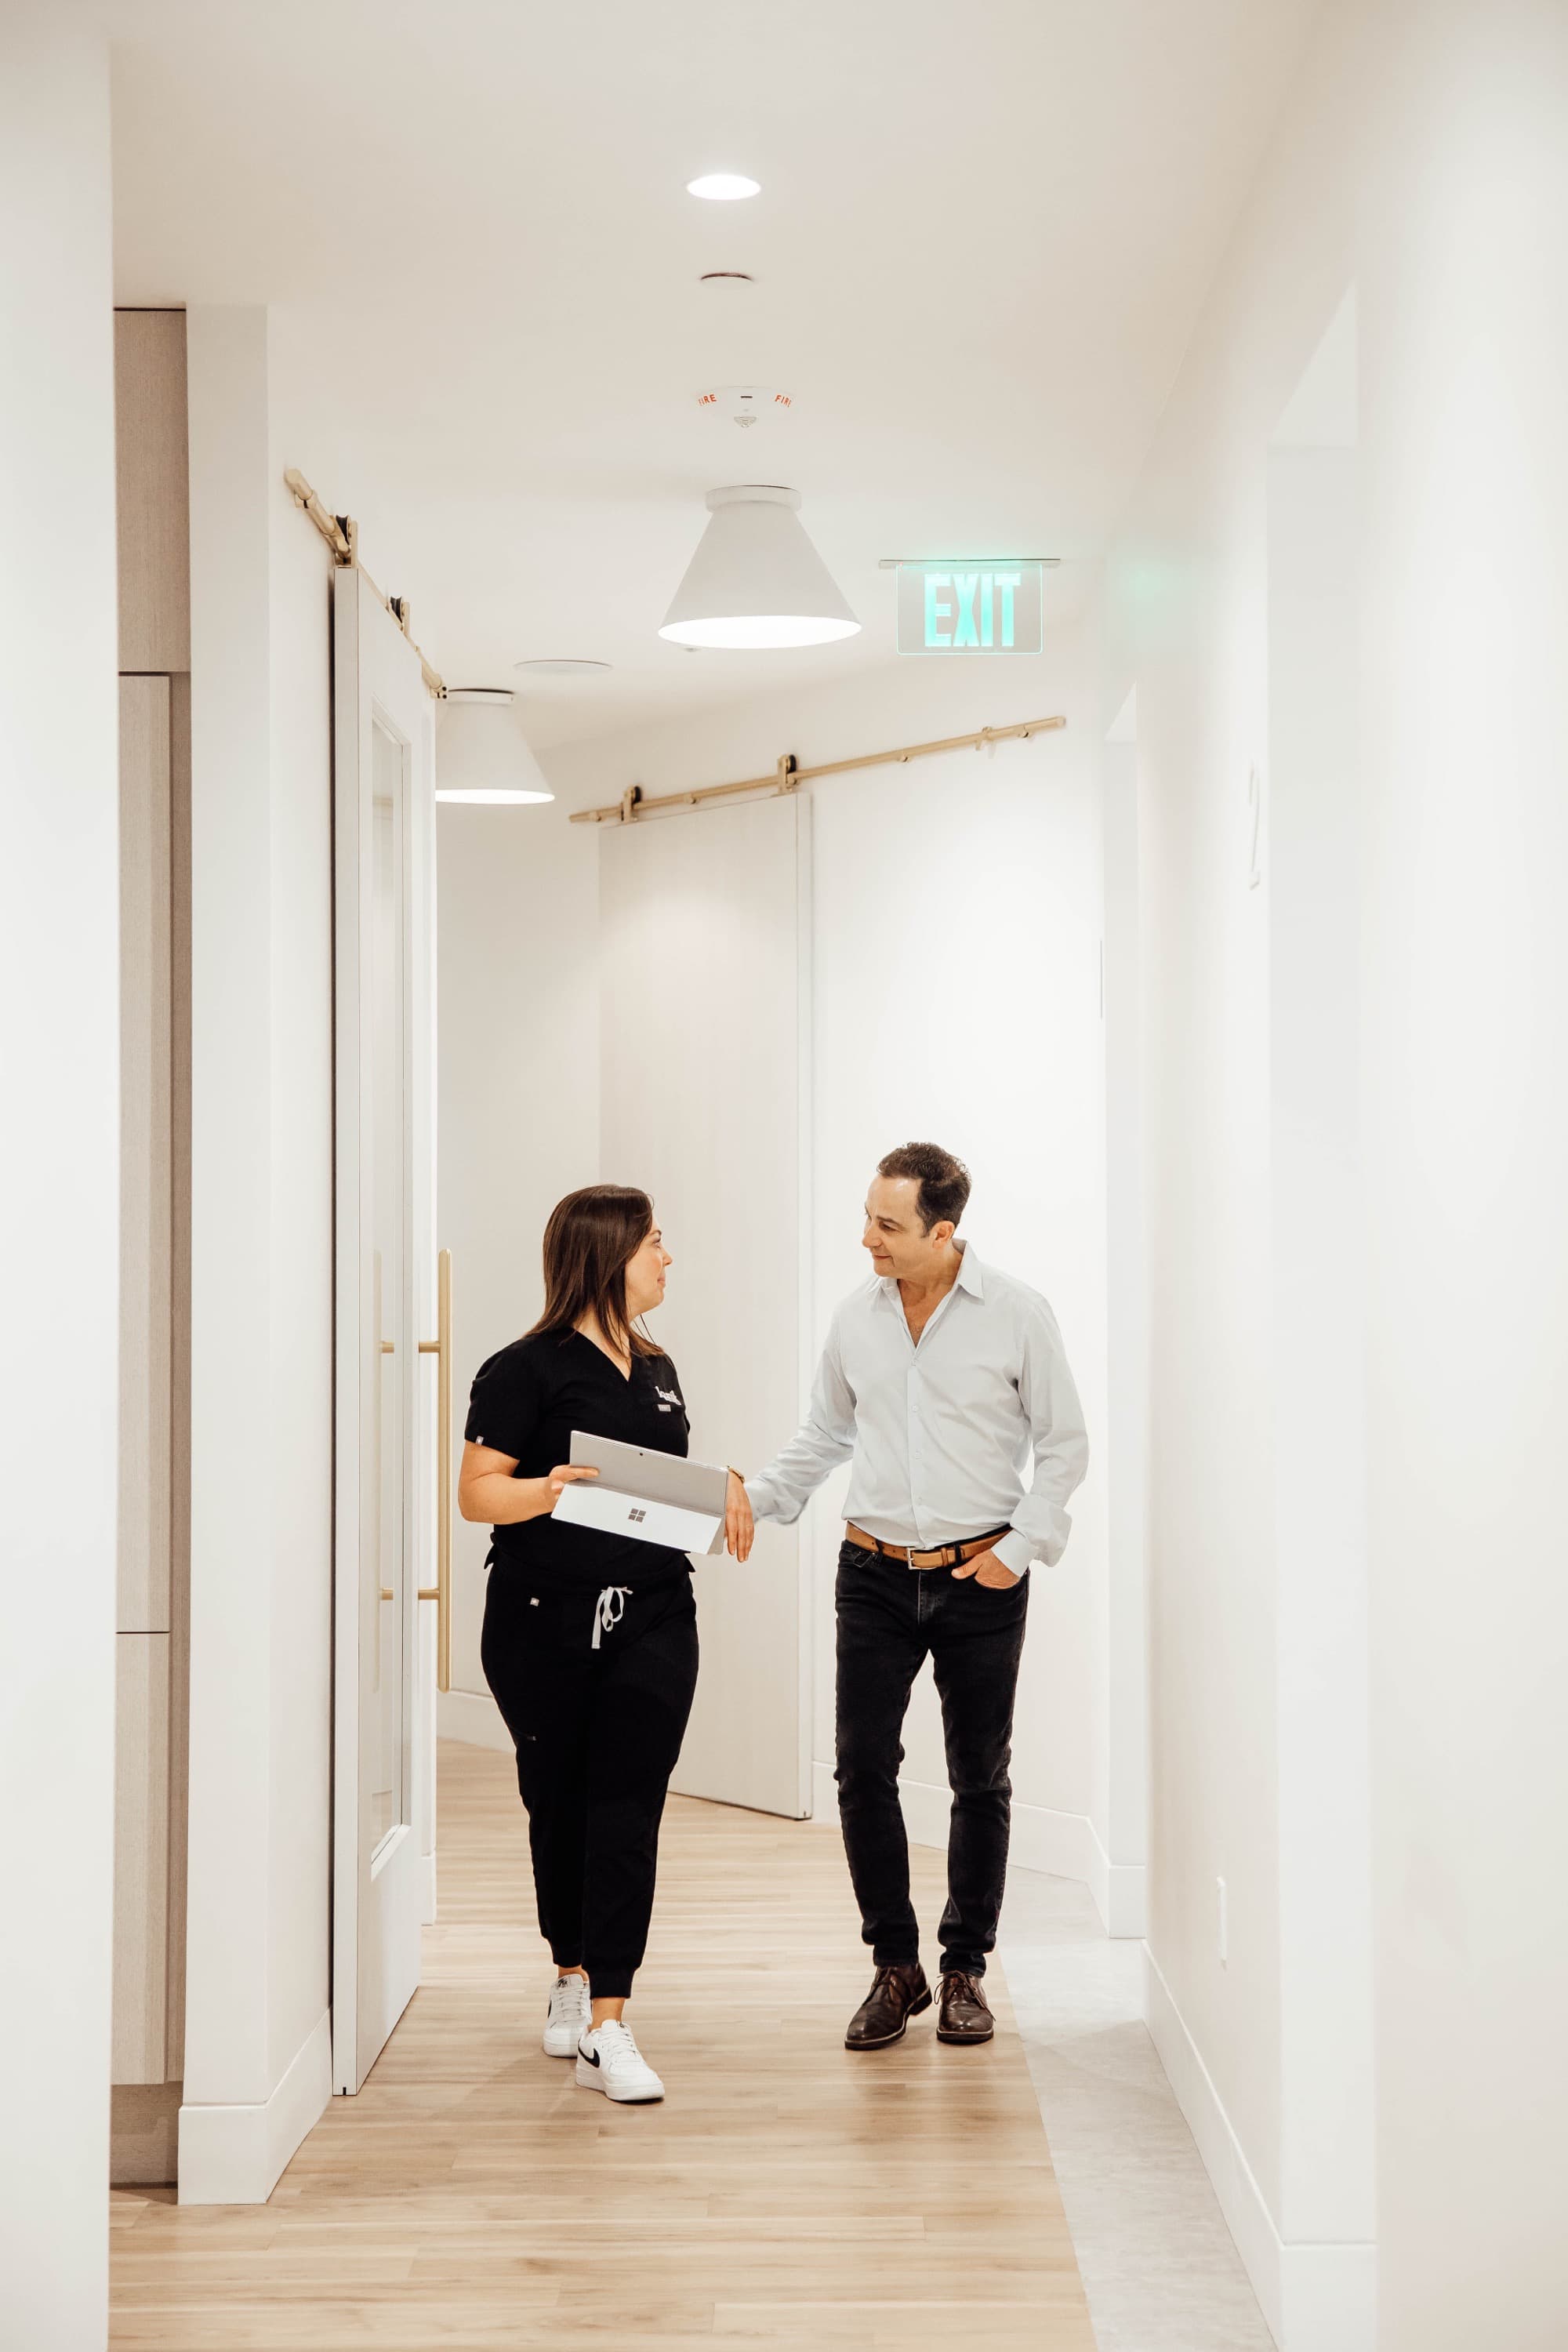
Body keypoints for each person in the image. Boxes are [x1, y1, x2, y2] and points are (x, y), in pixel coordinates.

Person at [741, 1142, 1087, 2052]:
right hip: (874, 1577)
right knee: (861, 1768)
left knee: (979, 1777)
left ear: (943, 1231)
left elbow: (1063, 1445)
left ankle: (964, 1968)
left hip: (981, 1577)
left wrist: (1019, 1549)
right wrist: (754, 1501)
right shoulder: (856, 1319)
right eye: (866, 1218)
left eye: (886, 1226)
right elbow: (822, 1434)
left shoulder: (1016, 1315)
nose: (867, 1240)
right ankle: (894, 1968)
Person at [458, 1183, 751, 2104]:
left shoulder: (659, 1365)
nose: (668, 1258)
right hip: (540, 1622)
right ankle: (571, 1972)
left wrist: (727, 1482)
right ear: (607, 1252)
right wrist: (550, 1487)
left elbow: (657, 1479)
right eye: (655, 1242)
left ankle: (609, 2025)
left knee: (627, 1808)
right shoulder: (522, 1370)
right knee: (558, 1803)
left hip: (655, 1618)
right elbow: (477, 1494)